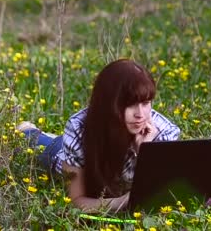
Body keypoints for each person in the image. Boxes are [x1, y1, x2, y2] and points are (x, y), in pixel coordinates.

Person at [18, 59, 180, 213]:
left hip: (105, 166)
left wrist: (144, 151)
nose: (140, 114)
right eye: (129, 104)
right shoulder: (78, 128)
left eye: (145, 103)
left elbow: (162, 193)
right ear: (108, 103)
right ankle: (29, 131)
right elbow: (77, 201)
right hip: (65, 156)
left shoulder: (164, 133)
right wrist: (121, 202)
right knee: (41, 145)